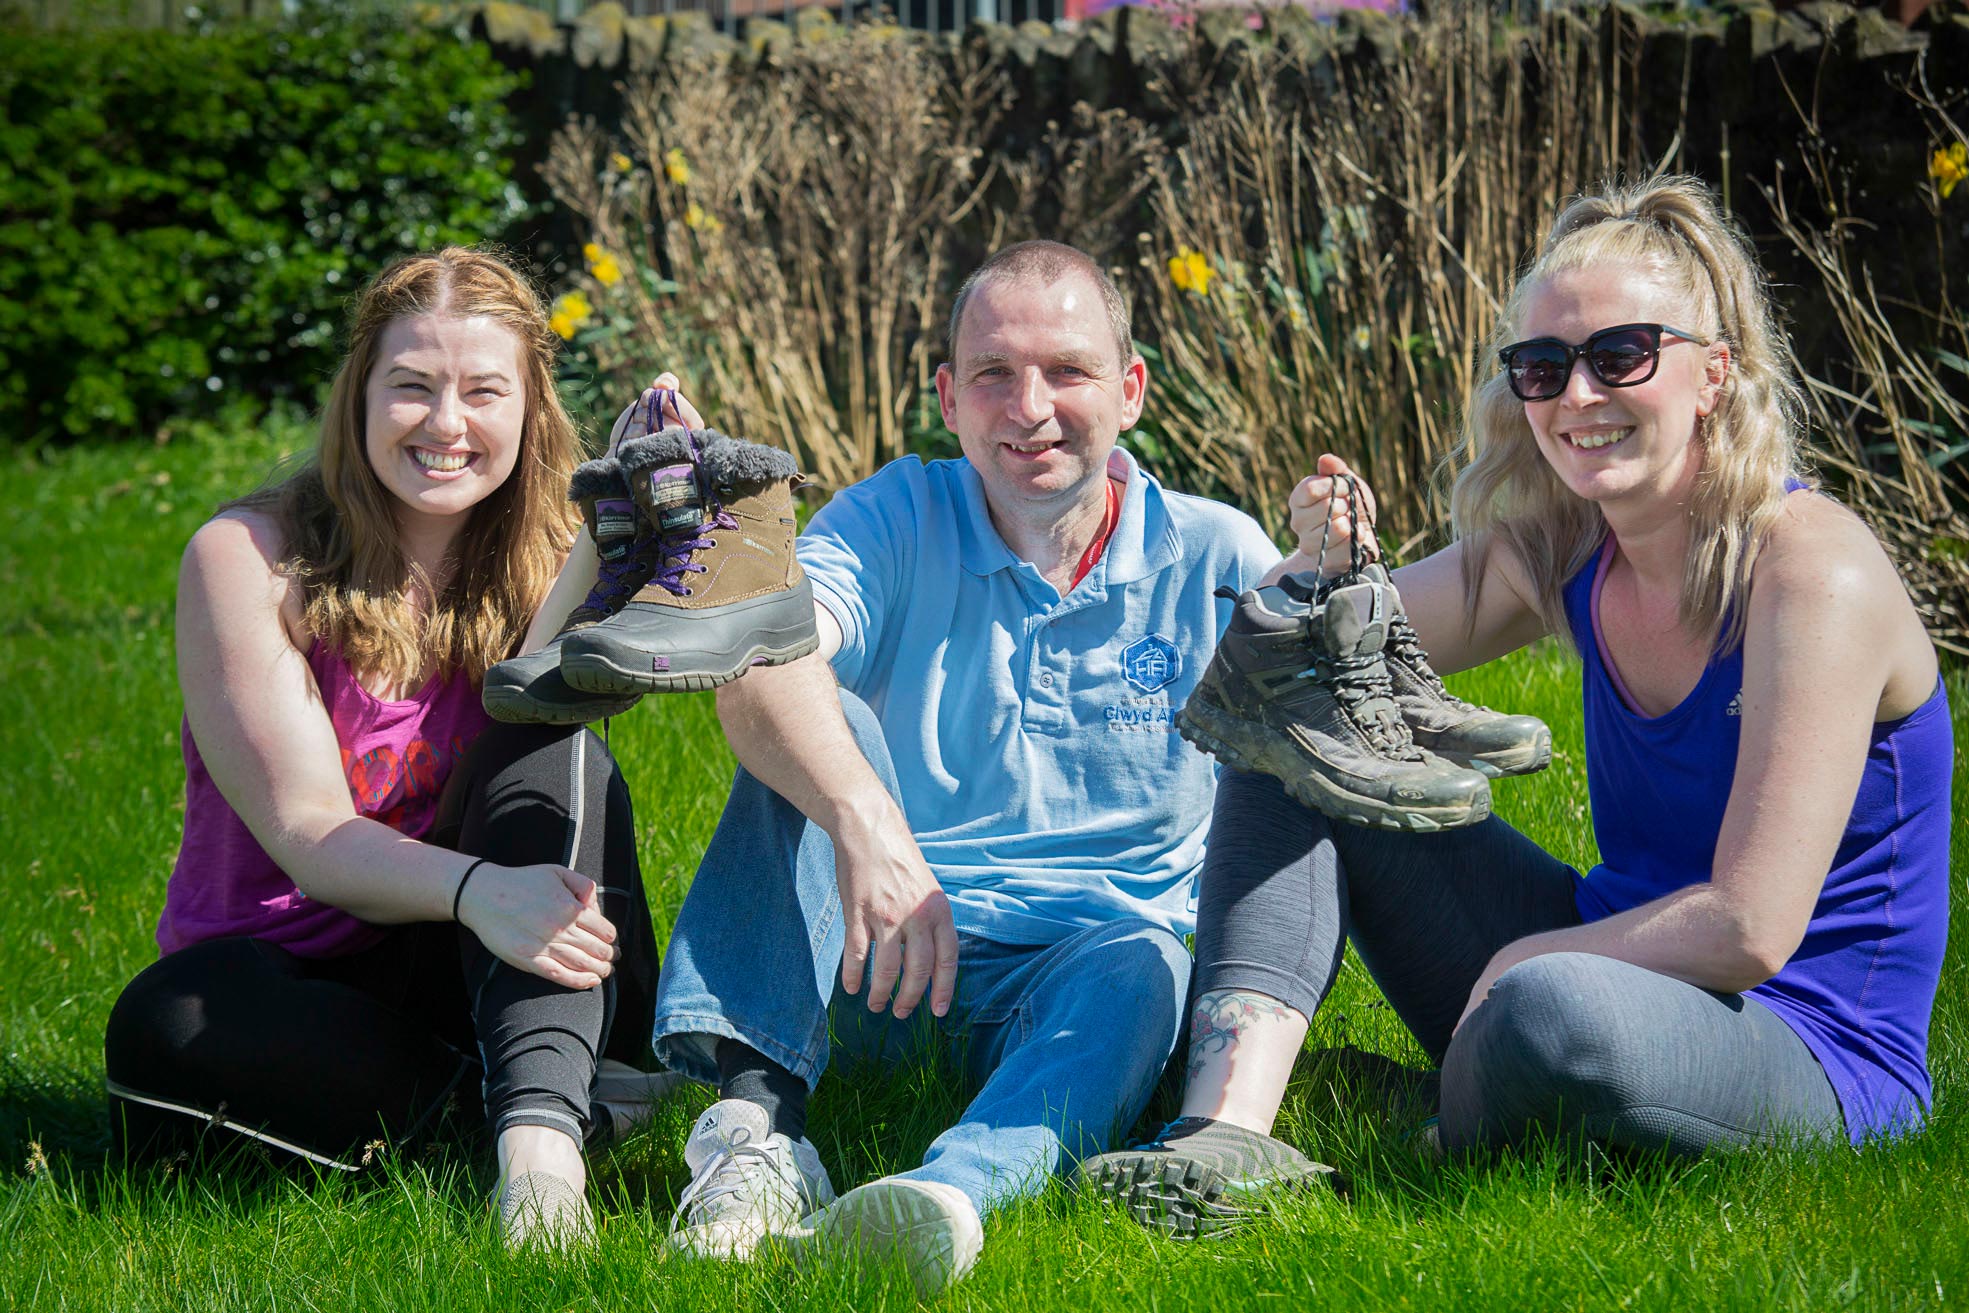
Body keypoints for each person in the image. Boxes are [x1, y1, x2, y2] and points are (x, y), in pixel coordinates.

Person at [1078, 174, 1953, 1236]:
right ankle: (1225, 1137)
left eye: (1619, 355)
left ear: (1713, 373)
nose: (1577, 395)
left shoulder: (1812, 574)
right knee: (1297, 729)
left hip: (1805, 1044)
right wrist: (1319, 566)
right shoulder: (1568, 544)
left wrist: (1518, 959)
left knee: (1552, 1009)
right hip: (1603, 959)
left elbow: (1749, 928)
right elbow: (1296, 663)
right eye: (1543, 369)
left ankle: (1427, 1117)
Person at [641, 241, 1281, 1296]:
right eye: (992, 373)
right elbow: (757, 666)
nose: (1028, 406)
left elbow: (1332, 742)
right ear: (948, 397)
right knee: (810, 702)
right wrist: (865, 823)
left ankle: (945, 1199)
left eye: (1067, 371)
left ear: (1129, 390)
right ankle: (755, 1136)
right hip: (882, 958)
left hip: (1089, 985)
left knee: (1144, 963)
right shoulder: (896, 516)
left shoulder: (1215, 558)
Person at [104, 249, 677, 1249]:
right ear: (359, 394)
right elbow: (311, 832)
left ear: (532, 410)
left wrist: (635, 499)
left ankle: (539, 1156)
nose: (447, 424)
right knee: (166, 1025)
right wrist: (475, 889)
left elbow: (566, 721)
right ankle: (564, 1112)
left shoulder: (543, 554)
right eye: (411, 386)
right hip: (298, 985)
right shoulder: (246, 558)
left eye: (484, 391)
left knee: (557, 753)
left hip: (507, 973)